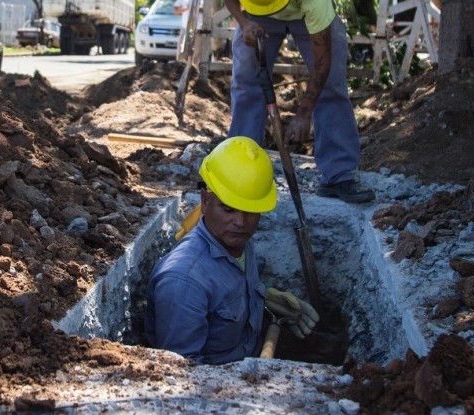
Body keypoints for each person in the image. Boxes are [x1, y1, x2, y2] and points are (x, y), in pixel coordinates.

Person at [145, 136, 319, 365]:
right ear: (205, 201)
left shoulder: (235, 242)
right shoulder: (184, 282)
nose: (241, 222)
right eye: (229, 210)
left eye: (251, 211)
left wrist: (264, 299)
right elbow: (181, 375)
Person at [224, 0, 376, 204]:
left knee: (331, 85)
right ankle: (240, 171)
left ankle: (338, 175)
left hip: (307, 14)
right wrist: (244, 23)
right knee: (246, 84)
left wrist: (304, 115)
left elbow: (323, 64)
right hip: (256, 14)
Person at [173, 0, 204, 66]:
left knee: (197, 51)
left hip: (199, 29)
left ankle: (194, 68)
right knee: (182, 49)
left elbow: (209, 13)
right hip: (185, 28)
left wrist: (199, 9)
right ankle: (180, 66)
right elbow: (175, 11)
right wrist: (188, 8)